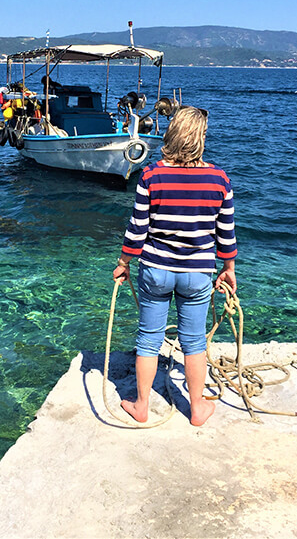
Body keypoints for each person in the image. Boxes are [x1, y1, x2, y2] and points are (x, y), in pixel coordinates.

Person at [113, 106, 237, 426]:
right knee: (194, 341)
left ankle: (141, 406)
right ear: (200, 138)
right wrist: (228, 268)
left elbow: (137, 228)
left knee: (148, 339)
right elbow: (226, 233)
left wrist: (124, 262)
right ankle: (197, 408)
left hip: (155, 270)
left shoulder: (152, 175)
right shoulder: (219, 179)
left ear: (172, 134)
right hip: (197, 273)